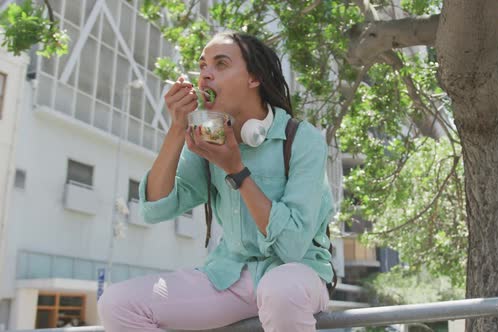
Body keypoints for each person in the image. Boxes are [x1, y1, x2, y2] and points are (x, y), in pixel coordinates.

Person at [97, 32, 335, 332]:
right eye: (203, 65)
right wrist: (177, 128)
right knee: (117, 304)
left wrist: (236, 170)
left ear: (254, 77)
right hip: (228, 276)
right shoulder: (209, 135)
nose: (205, 74)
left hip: (297, 274)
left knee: (280, 290)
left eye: (221, 64)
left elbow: (291, 246)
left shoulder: (302, 139)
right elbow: (155, 210)